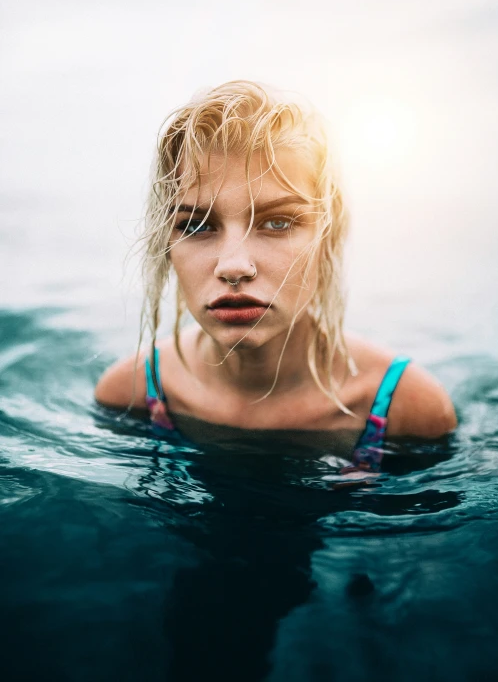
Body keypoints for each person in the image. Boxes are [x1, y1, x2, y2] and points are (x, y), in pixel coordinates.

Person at [95, 80, 456, 477]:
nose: (233, 267)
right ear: (167, 242)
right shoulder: (129, 393)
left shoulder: (408, 408)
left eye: (278, 221)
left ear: (327, 235)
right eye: (197, 226)